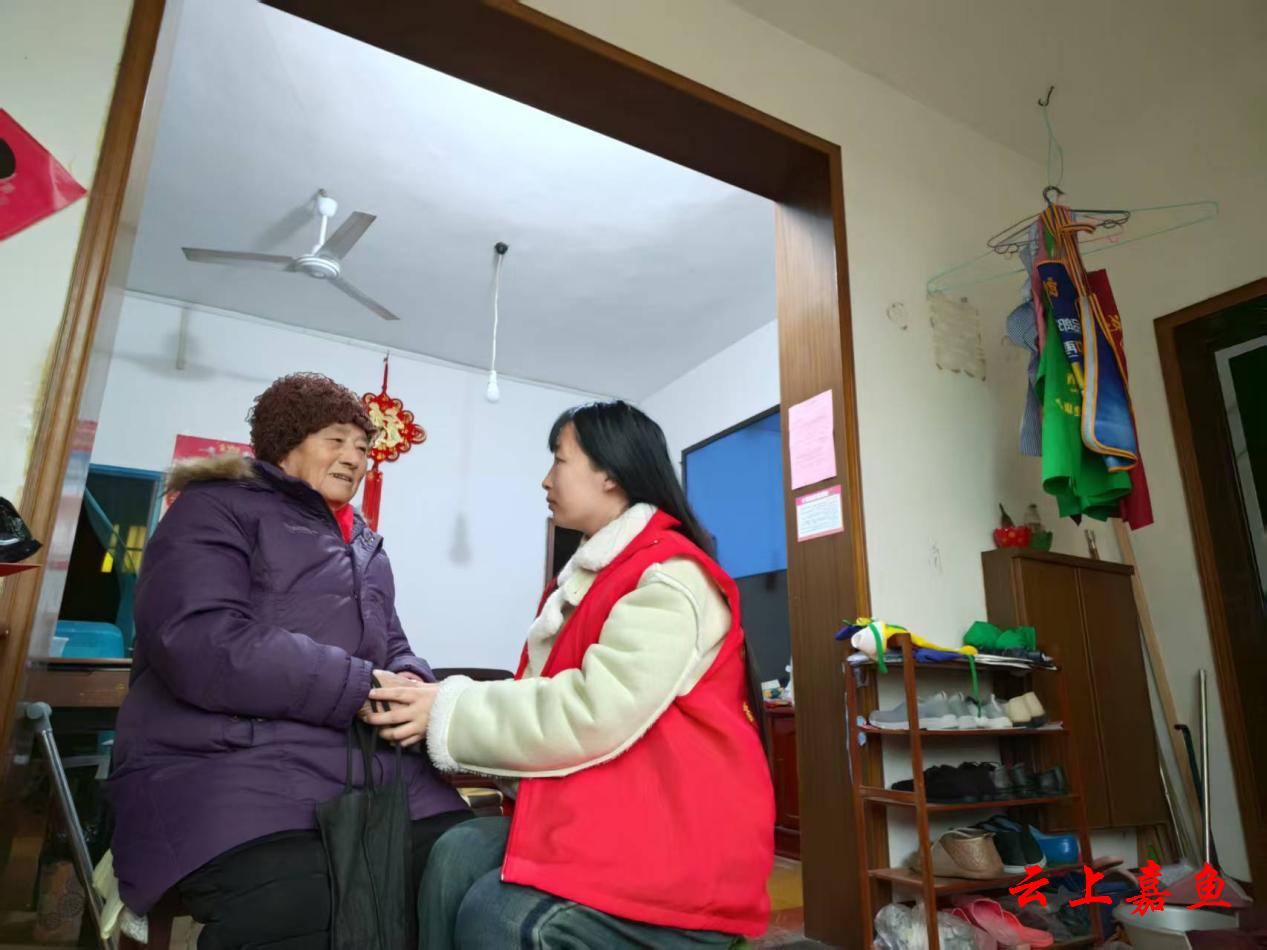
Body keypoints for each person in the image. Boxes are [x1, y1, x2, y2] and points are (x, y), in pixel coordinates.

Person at [365, 400, 775, 948]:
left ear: (610, 474)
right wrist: (438, 700)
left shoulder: (670, 579)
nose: (546, 478)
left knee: (497, 915)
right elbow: (545, 699)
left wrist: (446, 710)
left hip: (674, 838)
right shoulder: (595, 580)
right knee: (455, 854)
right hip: (617, 815)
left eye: (559, 460)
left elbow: (593, 710)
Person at [107, 372, 468, 948]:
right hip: (227, 762)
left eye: (363, 447)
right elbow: (201, 639)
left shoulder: (366, 547)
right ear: (285, 445)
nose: (354, 458)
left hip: (363, 764)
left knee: (463, 868)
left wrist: (411, 683)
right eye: (336, 440)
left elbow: (392, 643)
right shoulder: (215, 509)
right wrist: (357, 687)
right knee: (297, 904)